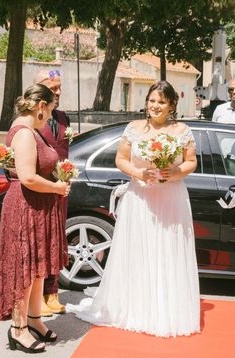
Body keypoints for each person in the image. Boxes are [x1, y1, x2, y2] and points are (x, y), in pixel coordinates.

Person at [67, 80, 200, 337]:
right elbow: (120, 159)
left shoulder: (182, 130)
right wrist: (139, 172)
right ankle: (136, 307)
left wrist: (174, 172)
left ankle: (165, 310)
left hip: (171, 197)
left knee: (168, 250)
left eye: (161, 101)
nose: (155, 106)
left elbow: (191, 162)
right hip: (140, 196)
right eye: (152, 100)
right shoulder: (134, 128)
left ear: (172, 105)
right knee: (139, 250)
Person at [0, 83, 69, 353]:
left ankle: (34, 319)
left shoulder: (32, 131)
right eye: (50, 110)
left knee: (38, 266)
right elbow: (27, 177)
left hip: (37, 205)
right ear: (41, 106)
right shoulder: (25, 134)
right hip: (25, 206)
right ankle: (18, 327)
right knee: (24, 268)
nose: (51, 116)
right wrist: (57, 187)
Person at [33, 68, 71, 316]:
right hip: (40, 185)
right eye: (52, 87)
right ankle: (38, 297)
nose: (57, 91)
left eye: (59, 87)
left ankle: (53, 291)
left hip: (61, 186)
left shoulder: (64, 117)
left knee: (58, 239)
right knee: (42, 240)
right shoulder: (33, 118)